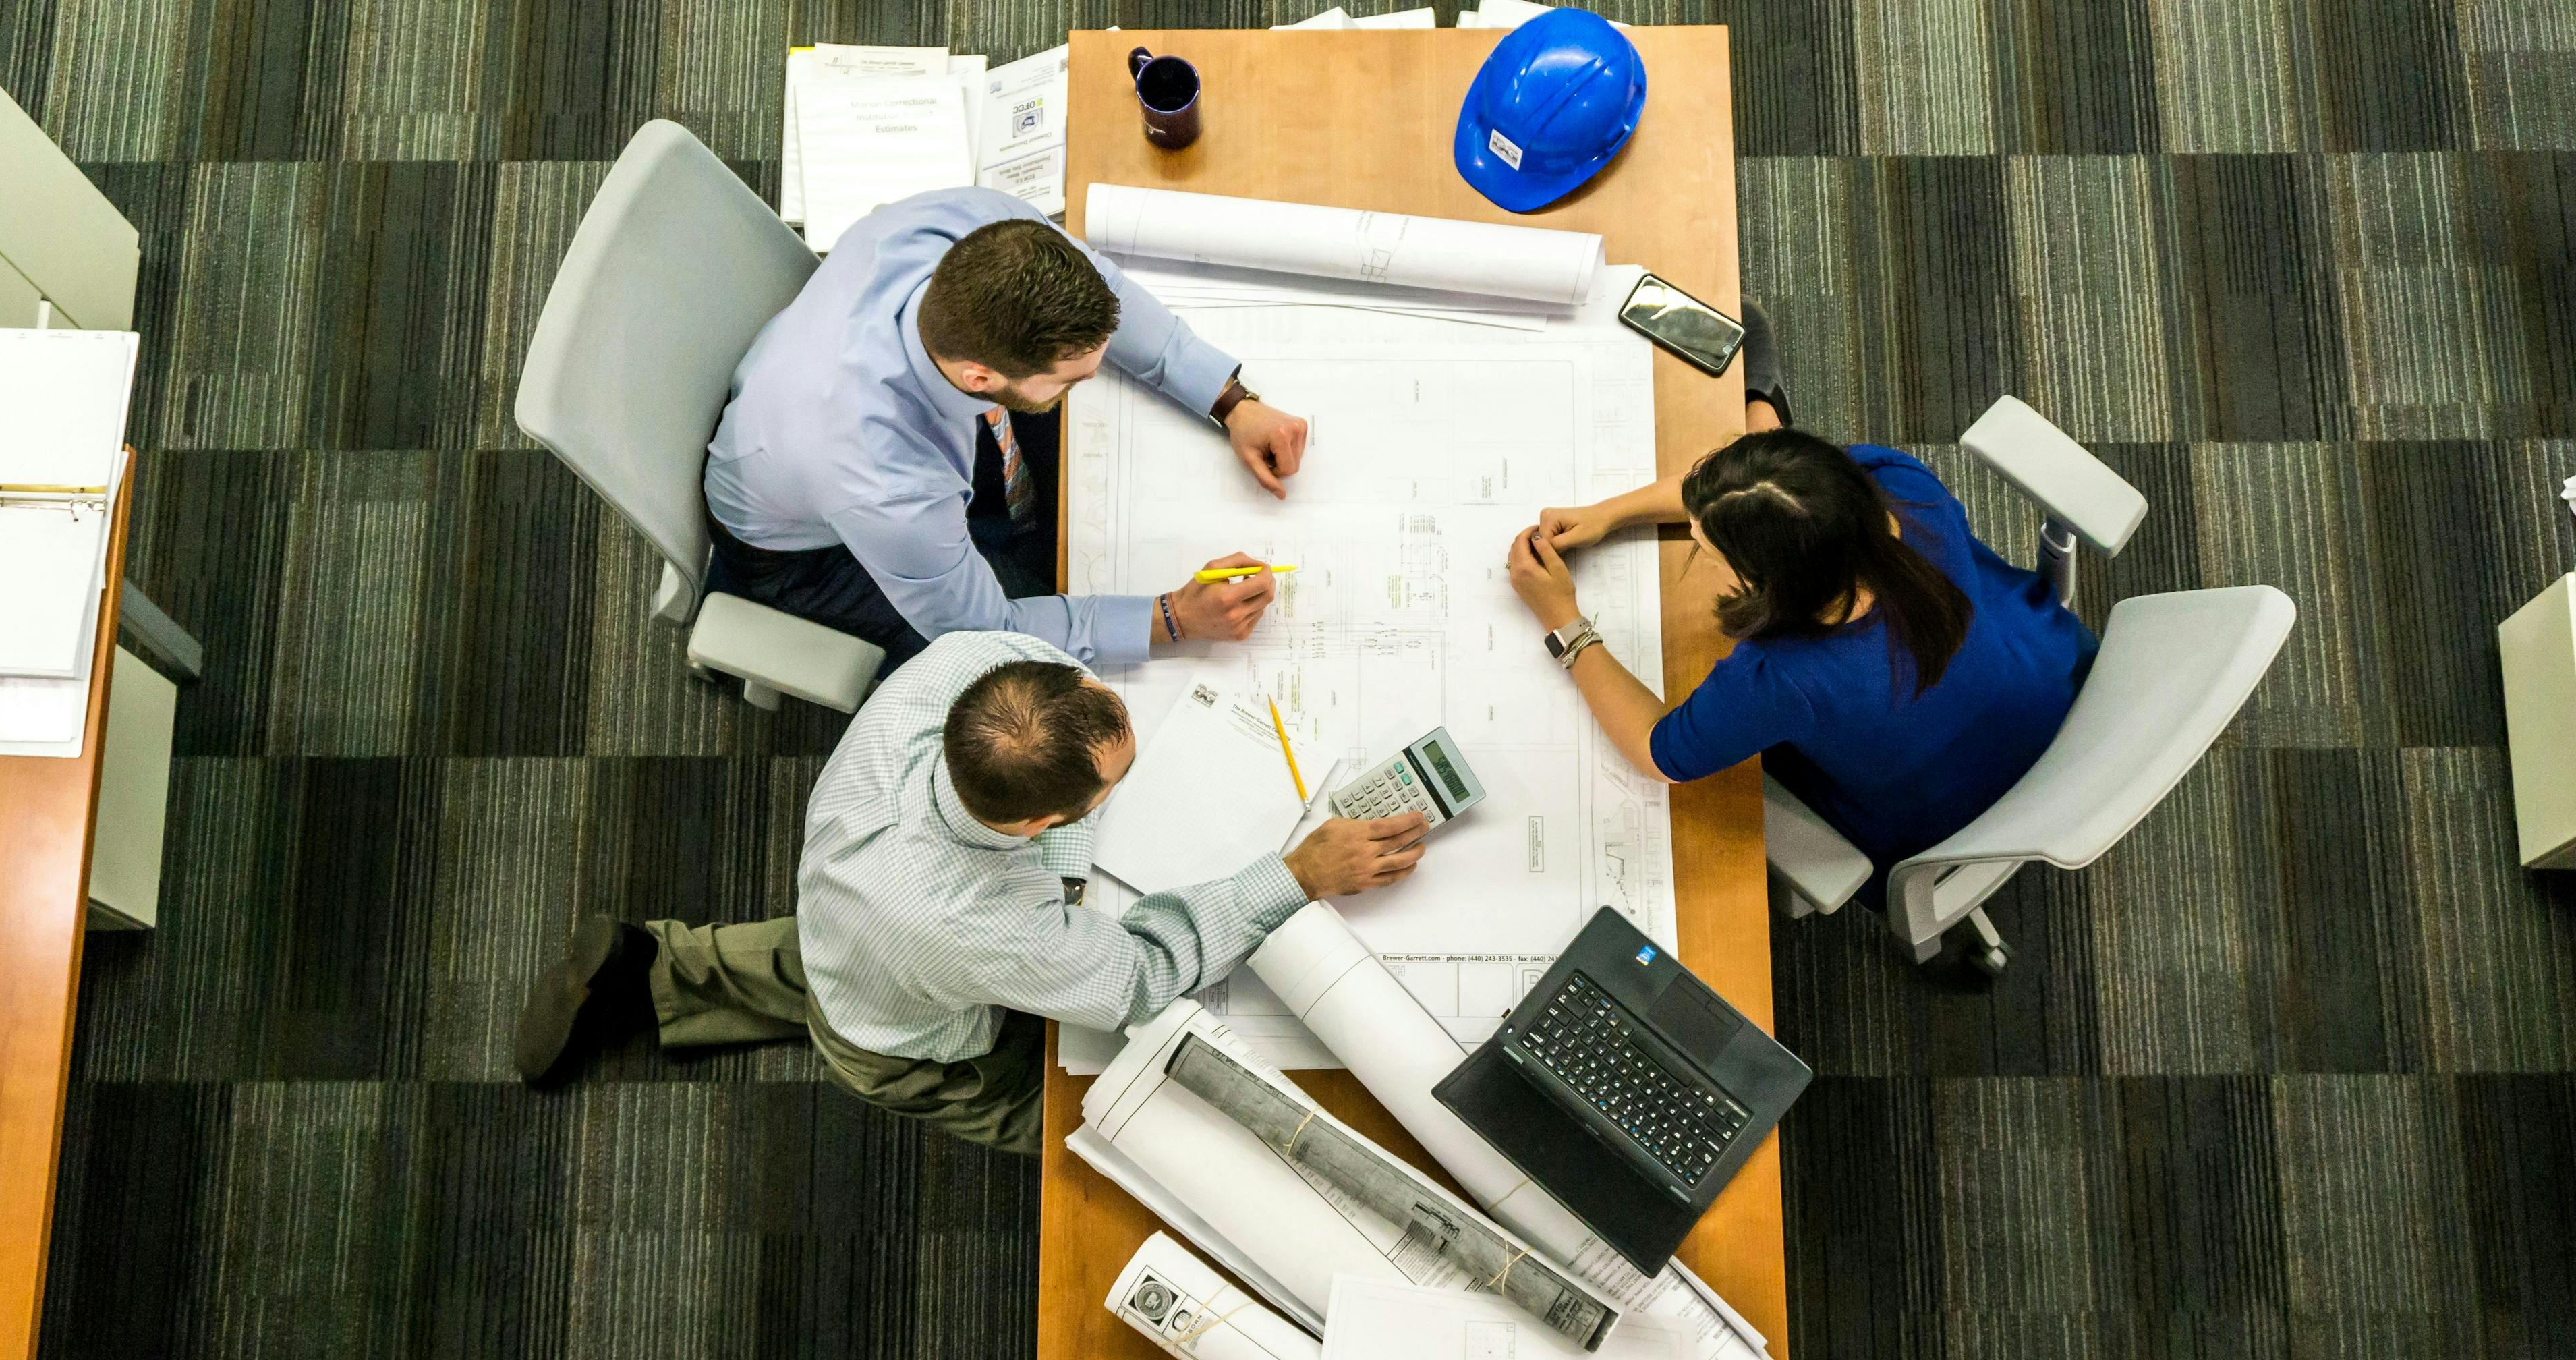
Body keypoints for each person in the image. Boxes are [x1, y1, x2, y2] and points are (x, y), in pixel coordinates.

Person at [513, 631, 1429, 1153]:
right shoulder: (982, 928)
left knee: (838, 956)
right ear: (1037, 823)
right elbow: (1138, 979)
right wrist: (1295, 874)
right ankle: (1102, 1138)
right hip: (906, 1038)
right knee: (1088, 1117)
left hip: (851, 911)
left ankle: (655, 967)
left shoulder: (966, 670)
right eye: (1113, 785)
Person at [703, 187, 1314, 673]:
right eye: (1072, 378)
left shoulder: (974, 224)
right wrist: (1172, 618)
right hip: (807, 554)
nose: (1094, 377)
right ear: (979, 376)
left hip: (815, 412)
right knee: (1041, 682)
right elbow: (986, 631)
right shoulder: (884, 482)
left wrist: (1228, 400)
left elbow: (1109, 292)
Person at [1500, 412, 2095, 907]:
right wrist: (1611, 512)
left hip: (1946, 816)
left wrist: (1563, 621)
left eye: (1707, 549)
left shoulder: (1784, 679)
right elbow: (1755, 496)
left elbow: (1661, 753)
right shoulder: (1894, 482)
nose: (1696, 546)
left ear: (1772, 582)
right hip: (2052, 676)